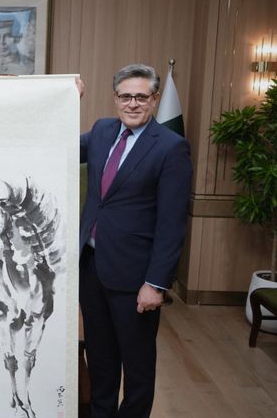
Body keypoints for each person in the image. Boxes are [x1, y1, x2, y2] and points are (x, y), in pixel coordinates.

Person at [79, 63, 192, 417]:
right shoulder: (101, 131)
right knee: (100, 360)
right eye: (125, 96)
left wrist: (155, 284)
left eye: (141, 97)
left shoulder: (171, 147)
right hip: (92, 269)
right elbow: (59, 146)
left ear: (154, 100)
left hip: (135, 278)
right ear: (115, 98)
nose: (132, 103)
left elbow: (172, 224)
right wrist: (65, 103)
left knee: (138, 368)